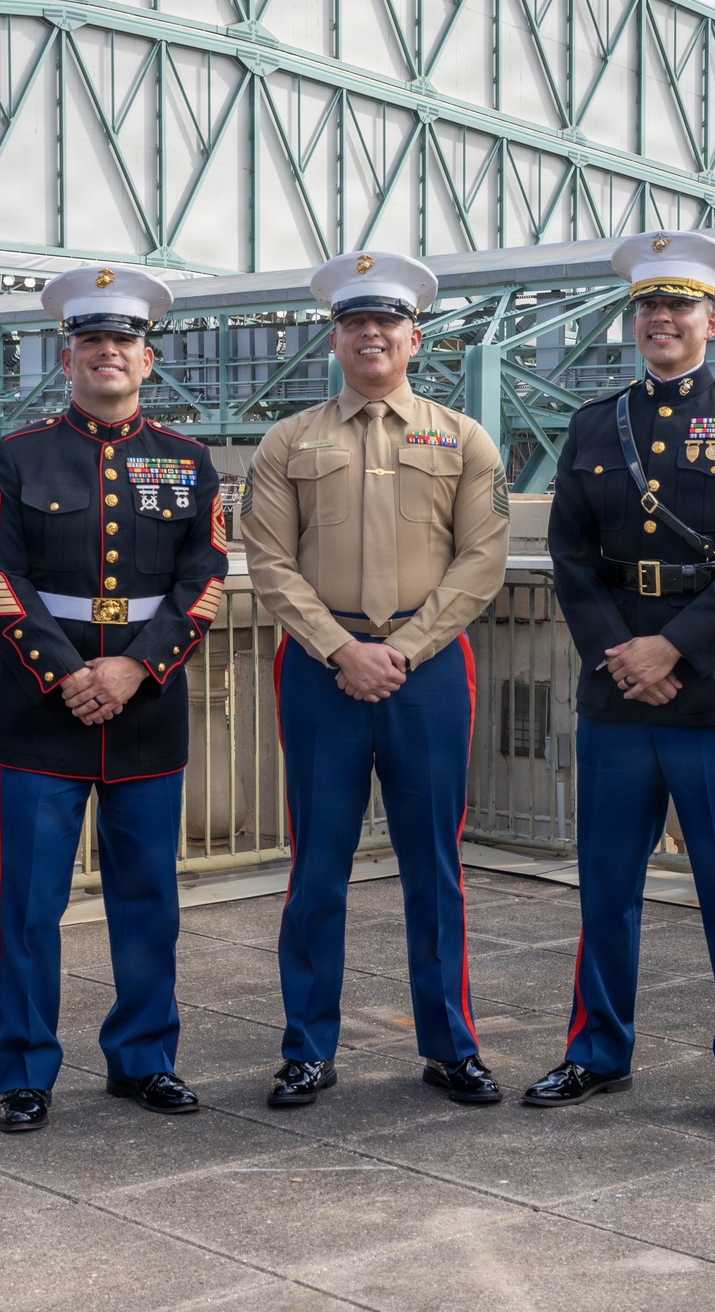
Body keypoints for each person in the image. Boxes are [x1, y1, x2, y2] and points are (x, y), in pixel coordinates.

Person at [523, 230, 715, 1137]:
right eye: (649, 305)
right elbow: (571, 557)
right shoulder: (594, 425)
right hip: (618, 694)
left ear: (711, 321)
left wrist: (671, 650)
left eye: (680, 305)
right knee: (605, 885)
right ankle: (596, 1051)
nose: (662, 318)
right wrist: (622, 653)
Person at [242, 250, 510, 1107]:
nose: (371, 335)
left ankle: (451, 1047)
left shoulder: (463, 438)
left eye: (386, 322)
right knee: (317, 868)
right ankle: (307, 1048)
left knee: (434, 865)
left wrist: (407, 648)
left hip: (426, 672)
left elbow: (483, 559)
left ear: (413, 338)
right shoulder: (289, 440)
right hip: (320, 669)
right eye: (355, 322)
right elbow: (269, 561)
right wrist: (340, 649)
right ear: (335, 338)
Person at [0, 264, 228, 1132]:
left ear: (147, 360)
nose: (107, 352)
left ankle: (144, 1059)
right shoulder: (17, 454)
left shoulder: (188, 461)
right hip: (42, 713)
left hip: (146, 710)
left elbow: (205, 580)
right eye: (91, 341)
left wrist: (134, 669)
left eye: (122, 341)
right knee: (29, 908)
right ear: (68, 357)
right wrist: (67, 672)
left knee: (149, 903)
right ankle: (24, 1071)